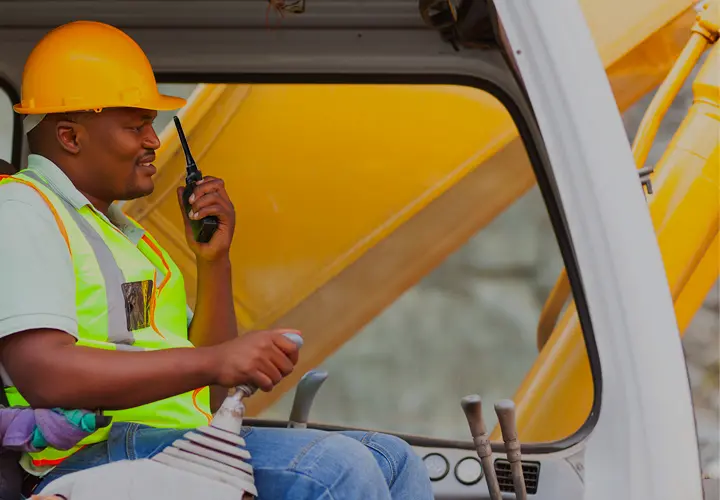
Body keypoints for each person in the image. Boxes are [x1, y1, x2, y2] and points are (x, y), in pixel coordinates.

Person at [0, 20, 434, 500]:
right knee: (336, 467)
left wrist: (214, 262)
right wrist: (216, 360)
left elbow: (205, 395)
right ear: (70, 136)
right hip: (94, 451)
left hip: (163, 441)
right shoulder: (23, 209)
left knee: (393, 458)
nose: (154, 142)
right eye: (135, 125)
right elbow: (44, 374)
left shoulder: (123, 237)